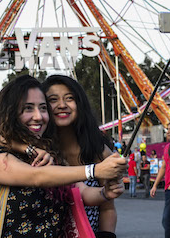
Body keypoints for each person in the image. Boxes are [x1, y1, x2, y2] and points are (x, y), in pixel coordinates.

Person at [0, 75, 126, 238]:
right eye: (28, 108)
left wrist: (105, 193)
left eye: (43, 108)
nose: (38, 116)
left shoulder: (50, 155)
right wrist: (95, 170)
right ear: (10, 112)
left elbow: (82, 192)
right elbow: (37, 176)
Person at [43, 74, 119, 236]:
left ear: (80, 103)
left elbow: (107, 208)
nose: (62, 105)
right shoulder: (39, 151)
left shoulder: (97, 151)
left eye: (69, 98)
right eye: (53, 100)